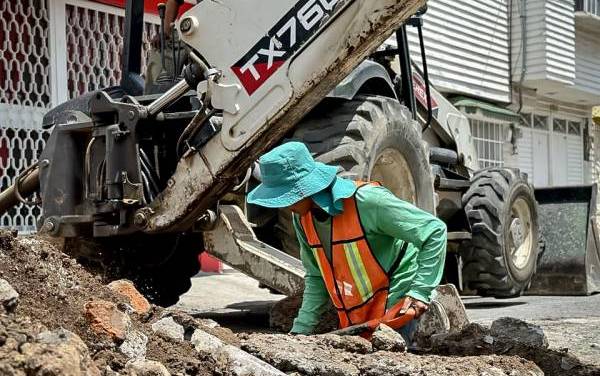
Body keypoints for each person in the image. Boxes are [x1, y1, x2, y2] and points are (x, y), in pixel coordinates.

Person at [247, 142, 447, 341]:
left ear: (302, 190)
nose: (283, 205)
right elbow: (317, 277)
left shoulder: (368, 201)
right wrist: (301, 330)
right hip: (358, 312)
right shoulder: (302, 218)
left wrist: (420, 291)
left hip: (397, 301)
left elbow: (434, 231)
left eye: (283, 196)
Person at [145, 0, 193, 93]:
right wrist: (165, 32)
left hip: (210, 35)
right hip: (192, 29)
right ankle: (154, 97)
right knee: (163, 45)